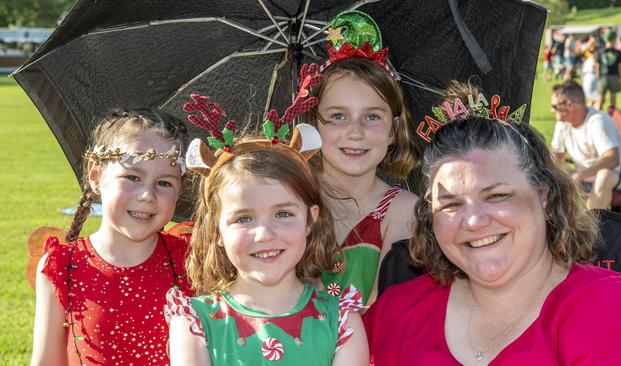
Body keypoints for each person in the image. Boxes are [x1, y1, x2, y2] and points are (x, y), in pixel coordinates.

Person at [363, 82, 621, 365]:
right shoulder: (395, 312)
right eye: (451, 204)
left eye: (497, 196)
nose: (474, 221)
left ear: (545, 197)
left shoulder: (616, 307)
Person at [166, 89, 368, 365]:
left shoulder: (342, 319)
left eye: (283, 213)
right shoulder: (195, 323)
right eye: (243, 219)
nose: (265, 234)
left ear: (310, 220)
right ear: (217, 232)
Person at [31, 109, 192, 365]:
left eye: (164, 183)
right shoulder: (62, 266)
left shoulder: (192, 261)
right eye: (132, 177)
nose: (147, 195)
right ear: (95, 175)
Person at [304, 10, 419, 308]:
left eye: (372, 116)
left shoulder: (403, 211)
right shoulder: (289, 198)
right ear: (314, 122)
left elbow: (384, 316)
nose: (356, 132)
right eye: (338, 116)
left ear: (394, 130)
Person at [550, 80, 621, 209]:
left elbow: (612, 158)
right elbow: (556, 156)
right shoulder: (562, 124)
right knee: (546, 176)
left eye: (555, 106)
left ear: (570, 104)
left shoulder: (598, 121)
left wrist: (580, 175)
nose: (552, 110)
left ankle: (591, 227)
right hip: (588, 178)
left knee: (604, 175)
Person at [595, 30, 621, 110]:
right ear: (614, 40)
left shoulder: (600, 51)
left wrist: (597, 76)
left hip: (603, 77)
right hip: (614, 76)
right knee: (613, 98)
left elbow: (597, 66)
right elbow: (620, 67)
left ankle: (598, 113)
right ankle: (613, 116)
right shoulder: (618, 52)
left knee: (600, 98)